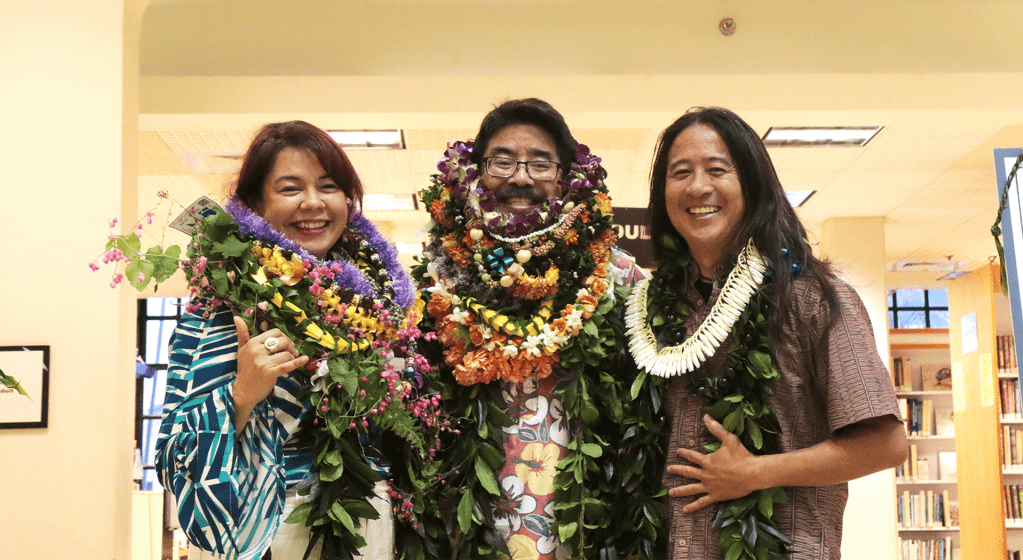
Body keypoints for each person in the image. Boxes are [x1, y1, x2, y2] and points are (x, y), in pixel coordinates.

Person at [627, 107, 908, 560]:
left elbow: (886, 444)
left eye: (718, 169)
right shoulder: (651, 311)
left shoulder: (815, 298)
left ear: (754, 186)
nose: (698, 187)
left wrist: (755, 472)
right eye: (681, 173)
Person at [156, 121, 441, 560]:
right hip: (271, 522)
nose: (313, 203)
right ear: (255, 204)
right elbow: (176, 447)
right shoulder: (222, 303)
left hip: (372, 519)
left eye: (328, 186)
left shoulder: (380, 310)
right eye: (290, 189)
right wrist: (242, 396)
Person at [413, 98, 666, 560]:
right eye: (502, 161)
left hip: (589, 527)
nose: (521, 177)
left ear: (567, 178)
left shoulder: (618, 279)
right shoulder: (437, 279)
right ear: (475, 174)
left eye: (540, 163)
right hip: (467, 529)